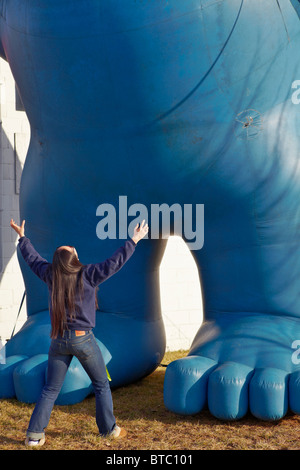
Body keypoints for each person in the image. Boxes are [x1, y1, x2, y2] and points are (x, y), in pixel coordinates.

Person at [10, 218, 149, 447]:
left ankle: (34, 436)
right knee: (101, 384)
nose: (72, 246)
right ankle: (108, 430)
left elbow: (33, 260)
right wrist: (134, 239)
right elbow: (115, 262)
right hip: (83, 340)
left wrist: (23, 238)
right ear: (73, 258)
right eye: (70, 249)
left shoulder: (50, 275)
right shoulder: (88, 274)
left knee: (50, 389)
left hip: (58, 341)